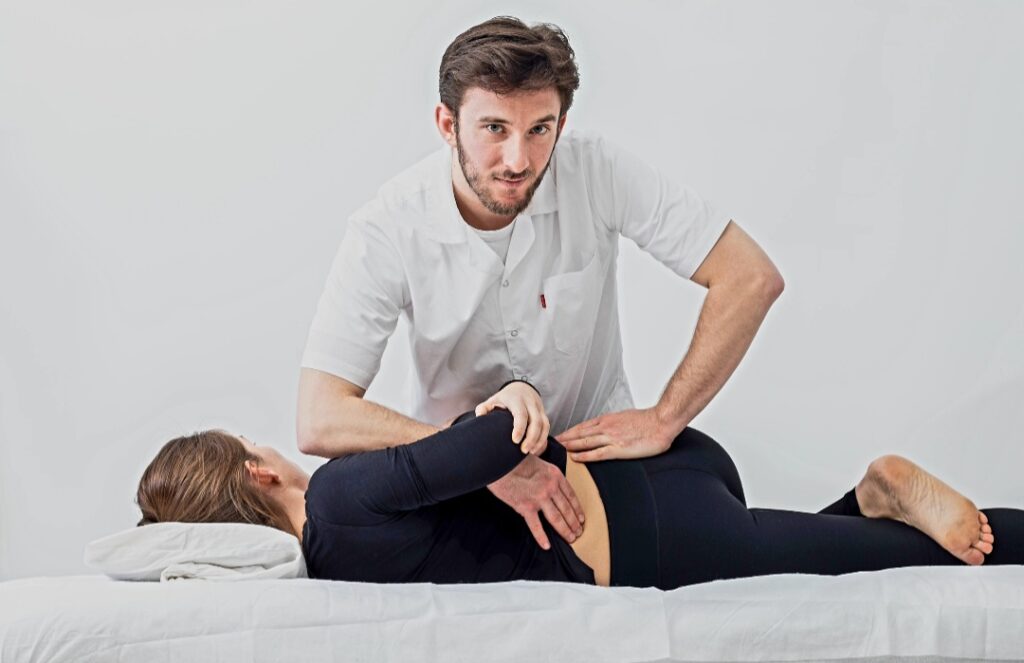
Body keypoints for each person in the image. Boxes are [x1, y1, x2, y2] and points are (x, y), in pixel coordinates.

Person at [296, 16, 785, 552]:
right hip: (467, 497)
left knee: (741, 545)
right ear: (447, 124)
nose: (518, 160)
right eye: (494, 128)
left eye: (539, 130)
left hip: (600, 475)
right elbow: (319, 417)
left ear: (562, 123)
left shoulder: (596, 170)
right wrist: (474, 461)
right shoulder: (388, 226)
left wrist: (665, 418)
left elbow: (749, 276)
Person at [135, 383, 1018, 589]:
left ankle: (879, 498)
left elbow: (479, 452)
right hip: (651, 510)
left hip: (650, 519)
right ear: (256, 470)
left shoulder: (332, 548)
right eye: (255, 443)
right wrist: (511, 394)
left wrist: (504, 413)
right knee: (863, 549)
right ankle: (870, 495)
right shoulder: (332, 500)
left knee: (909, 556)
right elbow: (488, 440)